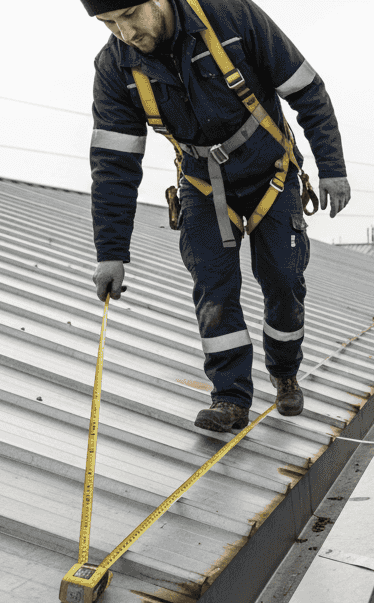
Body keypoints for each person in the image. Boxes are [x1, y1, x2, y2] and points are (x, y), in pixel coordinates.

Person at [83, 0, 350, 432]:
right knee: (213, 289)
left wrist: (332, 169)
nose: (125, 33)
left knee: (282, 278)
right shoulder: (116, 68)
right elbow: (114, 166)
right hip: (203, 186)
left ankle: (284, 372)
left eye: (131, 15)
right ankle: (229, 398)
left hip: (272, 175)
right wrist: (110, 252)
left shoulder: (231, 17)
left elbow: (308, 91)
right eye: (110, 24)